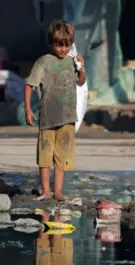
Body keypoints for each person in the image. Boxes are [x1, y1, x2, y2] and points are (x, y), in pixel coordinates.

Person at [24, 20, 86, 201]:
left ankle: (57, 191)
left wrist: (81, 68)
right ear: (52, 43)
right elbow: (29, 85)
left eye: (67, 45)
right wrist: (28, 109)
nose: (63, 49)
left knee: (62, 156)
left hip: (67, 118)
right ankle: (45, 190)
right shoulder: (43, 62)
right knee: (45, 156)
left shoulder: (72, 62)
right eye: (59, 45)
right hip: (48, 118)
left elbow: (81, 82)